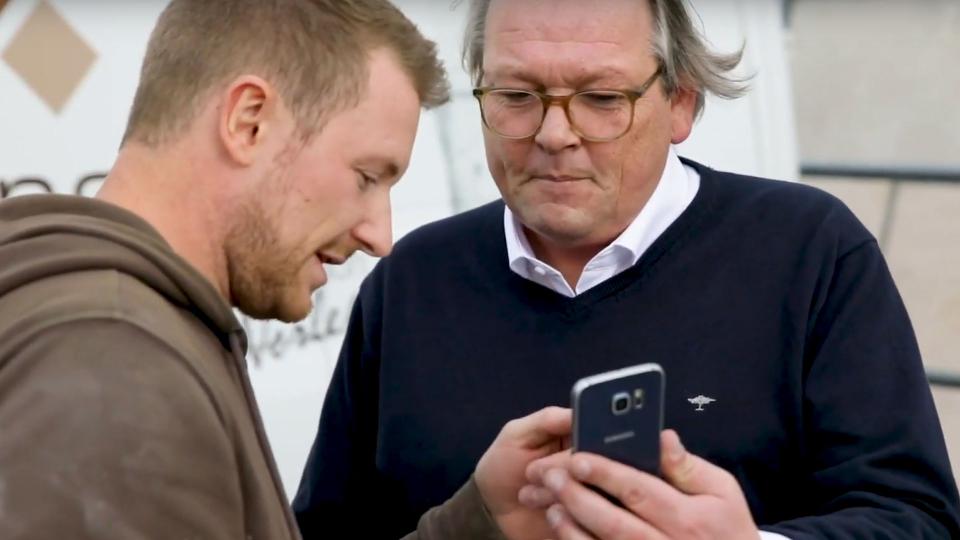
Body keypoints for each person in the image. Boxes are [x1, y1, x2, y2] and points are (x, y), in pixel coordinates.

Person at [293, 0, 960, 538]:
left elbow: (918, 518)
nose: (555, 133)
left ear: (682, 104)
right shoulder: (410, 282)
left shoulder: (810, 252)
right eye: (517, 95)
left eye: (602, 99)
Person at [0, 0, 568, 538]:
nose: (380, 236)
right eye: (367, 176)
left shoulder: (115, 329)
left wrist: (478, 523)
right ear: (249, 122)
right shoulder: (116, 377)